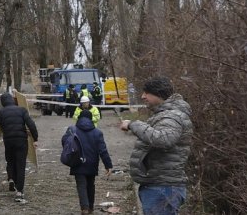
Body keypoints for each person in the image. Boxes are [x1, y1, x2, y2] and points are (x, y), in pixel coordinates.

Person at [119, 77, 193, 215]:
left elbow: (164, 139)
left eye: (146, 93)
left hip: (163, 188)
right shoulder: (167, 114)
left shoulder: (171, 116)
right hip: (160, 186)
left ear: (158, 93)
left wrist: (133, 125)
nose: (143, 96)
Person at [67, 111, 113, 215]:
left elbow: (65, 142)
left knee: (81, 185)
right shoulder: (97, 132)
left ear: (79, 118)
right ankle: (90, 207)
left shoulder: (72, 130)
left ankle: (85, 208)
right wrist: (108, 165)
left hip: (77, 161)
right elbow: (103, 150)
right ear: (91, 119)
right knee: (90, 185)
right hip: (92, 163)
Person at [0, 91, 38, 202]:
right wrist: (35, 138)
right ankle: (19, 191)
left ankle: (11, 179)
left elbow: (2, 127)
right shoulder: (22, 110)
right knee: (20, 165)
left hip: (8, 140)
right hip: (21, 141)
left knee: (10, 161)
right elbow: (31, 124)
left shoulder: (1, 112)